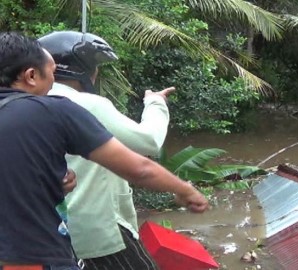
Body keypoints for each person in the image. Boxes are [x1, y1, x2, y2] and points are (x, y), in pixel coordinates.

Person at [0, 32, 208, 270]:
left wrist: (50, 185)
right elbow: (143, 159)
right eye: (51, 72)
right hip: (72, 240)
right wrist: (184, 189)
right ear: (32, 75)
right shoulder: (60, 108)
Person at [39, 30, 171, 270]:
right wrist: (156, 103)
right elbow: (149, 141)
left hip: (50, 228)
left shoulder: (25, 104)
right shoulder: (87, 105)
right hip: (99, 226)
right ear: (82, 69)